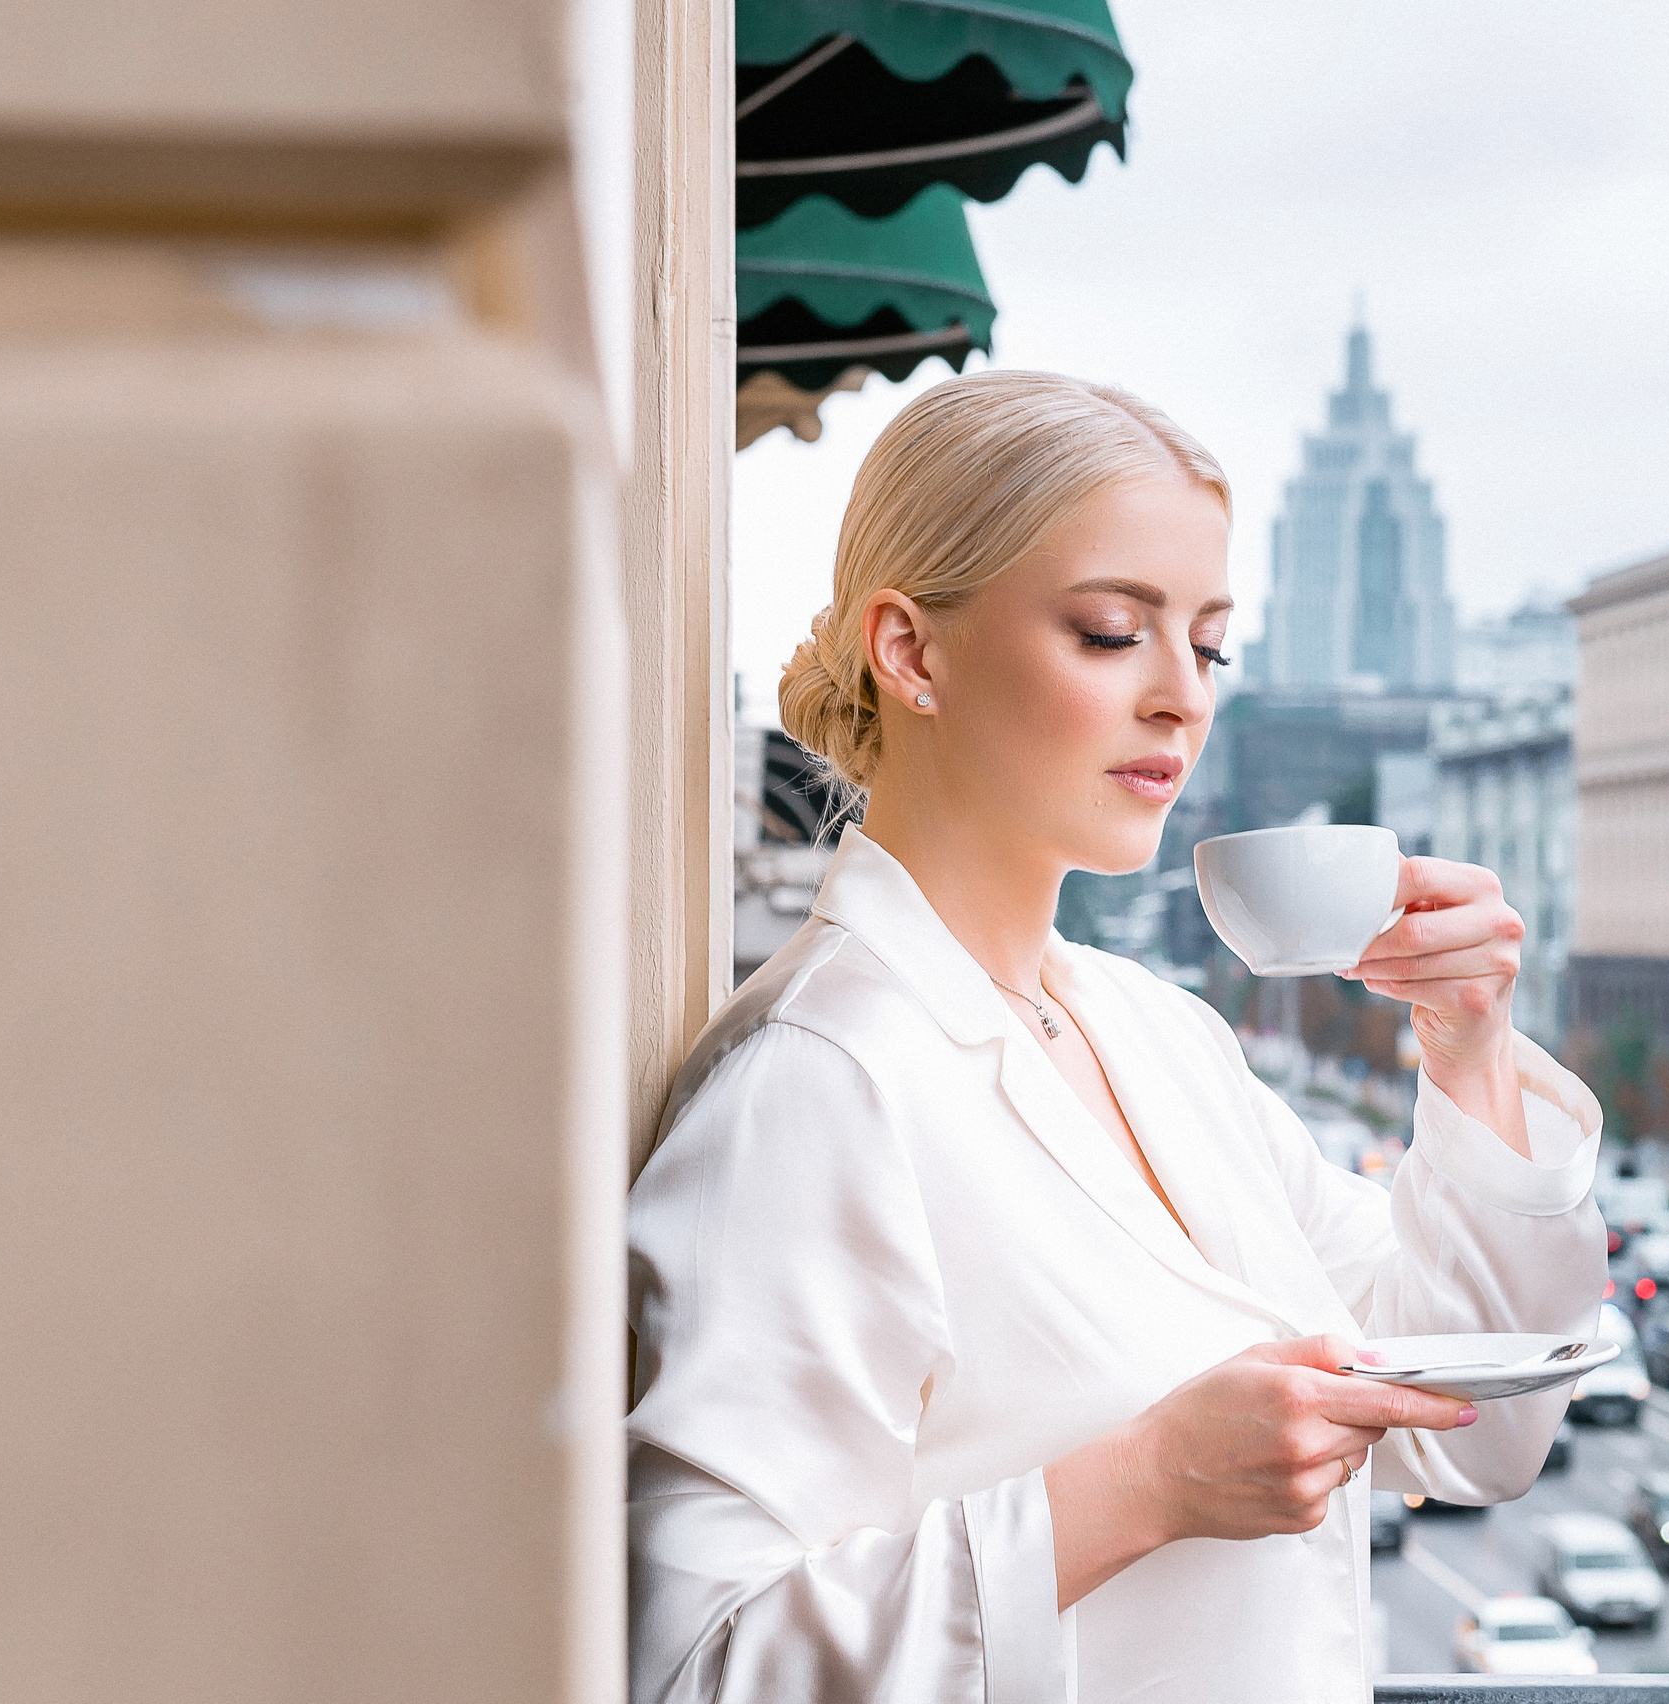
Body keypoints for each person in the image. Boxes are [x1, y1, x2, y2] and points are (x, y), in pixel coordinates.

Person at [627, 371, 1609, 1703]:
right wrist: (1140, 1485)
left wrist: (1471, 1046)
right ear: (910, 651)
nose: (1180, 700)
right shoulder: (816, 1086)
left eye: (1206, 646)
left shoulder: (1161, 1039)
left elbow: (1472, 1431)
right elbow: (696, 1667)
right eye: (1108, 632)